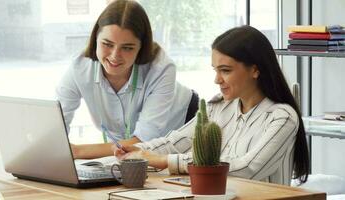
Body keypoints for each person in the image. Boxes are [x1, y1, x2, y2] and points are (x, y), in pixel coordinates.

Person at [115, 25, 310, 185]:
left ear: (255, 70)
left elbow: (247, 169)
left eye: (225, 70)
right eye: (215, 70)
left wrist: (166, 161)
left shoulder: (282, 117)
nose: (217, 80)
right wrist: (137, 151)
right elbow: (176, 142)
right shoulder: (219, 107)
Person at [56, 0, 198, 159]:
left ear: (141, 47)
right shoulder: (79, 67)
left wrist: (77, 152)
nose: (115, 55)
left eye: (127, 48)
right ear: (95, 38)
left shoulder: (161, 68)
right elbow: (57, 124)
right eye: (107, 44)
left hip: (181, 128)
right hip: (125, 146)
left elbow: (145, 140)